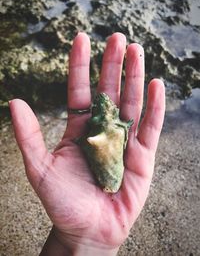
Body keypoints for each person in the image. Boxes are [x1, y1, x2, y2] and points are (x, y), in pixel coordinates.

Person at [9, 32, 165, 256]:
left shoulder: (97, 132)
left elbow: (98, 137)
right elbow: (120, 128)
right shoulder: (113, 128)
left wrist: (76, 242)